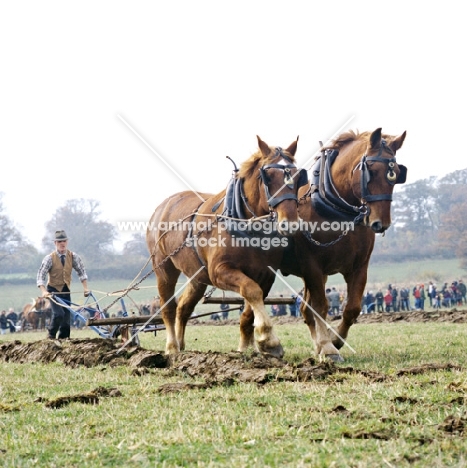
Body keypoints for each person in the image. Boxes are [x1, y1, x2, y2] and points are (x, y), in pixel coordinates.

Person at [37, 230, 90, 340]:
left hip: (66, 290)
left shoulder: (73, 256)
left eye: (64, 241)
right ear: (55, 243)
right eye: (59, 241)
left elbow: (81, 272)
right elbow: (40, 276)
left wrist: (85, 288)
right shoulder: (49, 258)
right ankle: (51, 336)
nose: (62, 243)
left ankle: (64, 339)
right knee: (59, 314)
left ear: (67, 242)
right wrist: (43, 291)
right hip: (53, 292)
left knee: (66, 319)